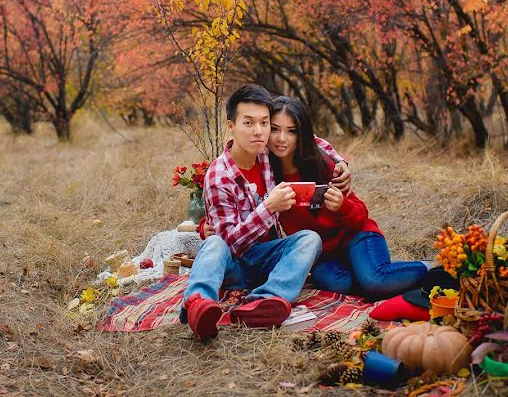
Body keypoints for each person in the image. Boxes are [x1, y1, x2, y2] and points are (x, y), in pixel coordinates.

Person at [181, 84, 323, 341]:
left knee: (310, 239)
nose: (258, 132)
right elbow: (229, 246)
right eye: (248, 123)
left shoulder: (267, 155)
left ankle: (263, 302)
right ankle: (197, 303)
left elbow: (307, 138)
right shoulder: (218, 176)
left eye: (264, 123)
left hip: (267, 258)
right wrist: (268, 207)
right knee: (213, 242)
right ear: (231, 126)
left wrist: (342, 163)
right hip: (234, 267)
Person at [268, 95, 428, 300]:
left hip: (356, 236)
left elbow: (361, 215)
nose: (282, 138)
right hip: (323, 255)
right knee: (341, 285)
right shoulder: (267, 174)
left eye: (291, 131)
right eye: (274, 129)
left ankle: (435, 269)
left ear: (302, 134)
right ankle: (378, 271)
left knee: (374, 281)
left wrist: (342, 205)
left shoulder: (322, 165)